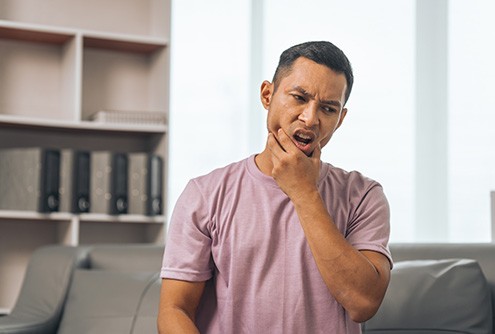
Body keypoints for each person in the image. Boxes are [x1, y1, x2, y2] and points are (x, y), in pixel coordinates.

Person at [157, 41, 392, 334]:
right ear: (267, 95)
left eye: (328, 108)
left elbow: (363, 303)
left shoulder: (364, 196)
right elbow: (174, 310)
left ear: (340, 119)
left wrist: (304, 192)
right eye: (299, 98)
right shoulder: (204, 194)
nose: (310, 118)